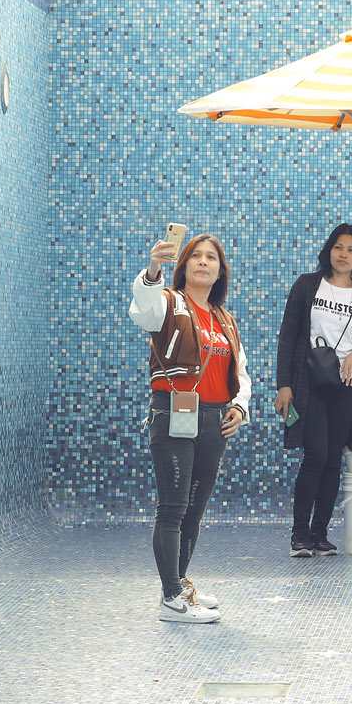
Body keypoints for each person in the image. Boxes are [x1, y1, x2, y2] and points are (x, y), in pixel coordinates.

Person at [129, 233, 251, 623]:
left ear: (220, 271)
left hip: (214, 419)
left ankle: (179, 584)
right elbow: (141, 311)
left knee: (194, 510)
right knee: (173, 508)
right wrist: (152, 271)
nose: (203, 262)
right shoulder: (168, 302)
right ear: (183, 266)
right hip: (173, 413)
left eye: (211, 257)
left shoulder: (224, 319)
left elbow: (241, 373)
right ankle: (170, 600)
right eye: (195, 256)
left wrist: (240, 407)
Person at [273, 224, 352, 557]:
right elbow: (288, 336)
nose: (344, 254)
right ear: (328, 250)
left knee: (333, 459)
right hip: (309, 383)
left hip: (346, 385)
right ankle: (299, 534)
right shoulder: (307, 285)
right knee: (315, 454)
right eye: (338, 247)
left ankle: (320, 533)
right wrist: (284, 386)